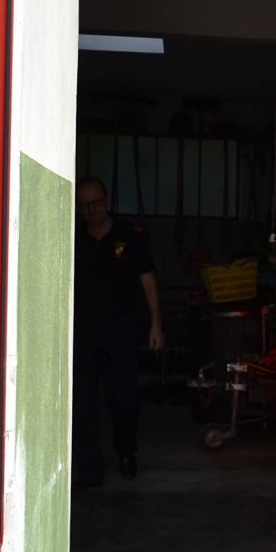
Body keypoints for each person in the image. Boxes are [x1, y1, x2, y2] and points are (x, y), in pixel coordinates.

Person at [73, 178, 163, 487]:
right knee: (83, 403)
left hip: (120, 333)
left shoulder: (130, 236)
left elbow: (147, 278)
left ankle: (126, 452)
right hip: (82, 335)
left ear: (107, 200)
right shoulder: (74, 238)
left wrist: (156, 324)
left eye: (96, 203)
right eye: (85, 206)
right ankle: (88, 467)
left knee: (123, 400)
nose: (92, 210)